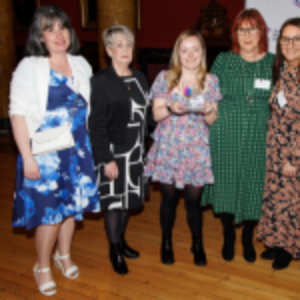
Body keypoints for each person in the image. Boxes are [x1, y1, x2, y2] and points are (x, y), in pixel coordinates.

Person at [9, 5, 100, 297]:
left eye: (62, 27)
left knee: (71, 209)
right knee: (50, 212)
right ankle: (42, 266)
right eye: (50, 29)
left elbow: (91, 108)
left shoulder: (81, 64)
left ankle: (64, 256)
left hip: (78, 150)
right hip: (45, 154)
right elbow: (18, 115)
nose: (58, 34)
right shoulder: (30, 67)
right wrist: (27, 156)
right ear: (40, 36)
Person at [202, 9, 274, 263]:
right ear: (235, 33)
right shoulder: (223, 59)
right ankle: (228, 235)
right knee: (227, 184)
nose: (246, 35)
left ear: (261, 33)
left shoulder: (272, 62)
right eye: (241, 29)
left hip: (259, 132)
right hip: (225, 131)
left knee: (255, 183)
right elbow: (209, 94)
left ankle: (247, 237)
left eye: (252, 29)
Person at [145, 30, 222, 266]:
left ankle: (197, 243)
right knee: (168, 199)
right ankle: (166, 241)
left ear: (202, 52)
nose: (190, 55)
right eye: (185, 49)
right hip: (169, 147)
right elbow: (156, 114)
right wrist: (170, 108)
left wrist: (208, 109)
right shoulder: (165, 78)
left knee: (193, 201)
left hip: (196, 148)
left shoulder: (211, 81)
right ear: (178, 52)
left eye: (195, 49)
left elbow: (212, 120)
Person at [89, 25, 149, 275]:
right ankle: (114, 249)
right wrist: (106, 159)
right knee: (114, 203)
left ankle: (122, 241)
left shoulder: (139, 77)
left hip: (136, 151)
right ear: (109, 50)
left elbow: (147, 115)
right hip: (114, 152)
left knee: (127, 202)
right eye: (119, 44)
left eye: (129, 44)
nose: (125, 49)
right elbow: (96, 124)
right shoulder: (101, 81)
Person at [257, 18, 300, 270]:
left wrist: (294, 158)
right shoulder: (284, 71)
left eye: (297, 38)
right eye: (285, 38)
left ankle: (289, 247)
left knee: (292, 201)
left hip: (293, 151)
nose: (290, 44)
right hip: (276, 148)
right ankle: (276, 240)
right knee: (275, 197)